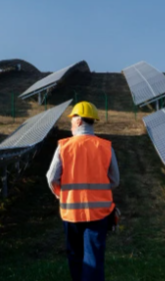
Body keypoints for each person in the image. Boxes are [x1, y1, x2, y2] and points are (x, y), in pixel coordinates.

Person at [46, 101, 119, 281]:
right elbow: (115, 180)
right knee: (94, 258)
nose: (70, 123)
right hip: (99, 213)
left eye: (72, 119)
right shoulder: (105, 147)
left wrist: (60, 194)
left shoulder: (64, 146)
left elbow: (51, 177)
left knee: (75, 256)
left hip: (71, 213)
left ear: (78, 121)